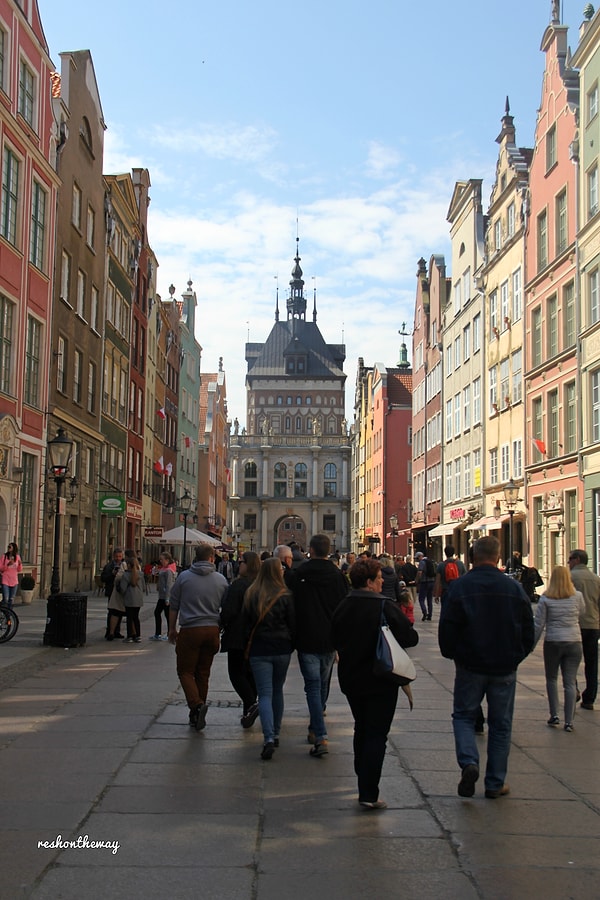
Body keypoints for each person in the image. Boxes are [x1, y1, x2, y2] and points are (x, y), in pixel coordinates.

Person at [439, 536, 534, 800]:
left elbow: (447, 628)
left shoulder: (460, 587)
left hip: (470, 665)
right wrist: (517, 656)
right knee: (501, 725)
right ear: (499, 557)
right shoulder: (514, 589)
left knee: (464, 716)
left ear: (472, 557)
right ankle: (495, 782)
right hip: (504, 666)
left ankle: (469, 761)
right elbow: (529, 630)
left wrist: (452, 654)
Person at [331, 557, 418, 810]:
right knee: (377, 734)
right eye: (379, 578)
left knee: (362, 726)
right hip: (381, 679)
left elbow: (333, 636)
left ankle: (363, 773)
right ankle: (368, 791)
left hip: (351, 678)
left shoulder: (343, 605)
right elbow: (409, 637)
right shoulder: (384, 606)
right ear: (369, 582)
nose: (383, 581)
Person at [289, 533, 349, 757]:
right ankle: (316, 729)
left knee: (313, 687)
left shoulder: (299, 574)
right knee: (322, 685)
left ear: (310, 551)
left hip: (306, 638)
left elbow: (291, 604)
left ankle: (320, 734)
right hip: (330, 639)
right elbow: (345, 608)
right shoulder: (338, 576)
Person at [168, 544, 228, 730]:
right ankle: (196, 713)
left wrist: (171, 629)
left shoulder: (183, 578)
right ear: (212, 558)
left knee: (185, 671)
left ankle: (197, 705)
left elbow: (174, 606)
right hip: (211, 630)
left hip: (190, 630)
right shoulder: (221, 580)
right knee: (203, 672)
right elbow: (226, 607)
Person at [241, 557, 295, 760]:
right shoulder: (286, 595)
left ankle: (268, 738)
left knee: (264, 694)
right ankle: (277, 732)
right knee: (277, 690)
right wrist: (291, 644)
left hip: (259, 650)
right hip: (281, 649)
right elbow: (293, 624)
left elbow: (245, 623)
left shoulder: (251, 593)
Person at [534, 565, 585, 732]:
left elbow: (539, 624)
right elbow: (582, 613)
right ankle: (569, 721)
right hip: (574, 641)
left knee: (551, 679)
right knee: (570, 682)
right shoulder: (577, 596)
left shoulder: (546, 598)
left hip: (554, 641)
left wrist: (531, 645)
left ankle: (554, 714)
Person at [219, 551, 261, 727]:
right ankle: (248, 713)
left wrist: (221, 624)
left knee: (236, 673)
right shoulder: (262, 585)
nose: (239, 564)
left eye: (242, 561)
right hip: (257, 637)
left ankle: (251, 704)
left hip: (238, 635)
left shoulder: (238, 586)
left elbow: (228, 611)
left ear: (248, 565)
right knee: (250, 674)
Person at [568, 549, 600, 711]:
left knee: (570, 662)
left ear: (577, 560)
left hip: (575, 625)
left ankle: (574, 690)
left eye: (570, 559)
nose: (568, 563)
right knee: (592, 663)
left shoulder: (570, 578)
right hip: (593, 626)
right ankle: (590, 698)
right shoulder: (596, 579)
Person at [150, 552, 177, 640]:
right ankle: (160, 633)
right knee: (161, 614)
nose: (160, 561)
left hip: (165, 597)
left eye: (162, 559)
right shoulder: (164, 569)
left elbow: (169, 584)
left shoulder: (168, 571)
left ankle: (168, 633)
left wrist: (167, 598)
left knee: (163, 614)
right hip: (162, 596)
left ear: (167, 560)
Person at [118, 556, 145, 642]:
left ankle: (129, 636)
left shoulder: (126, 575)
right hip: (138, 599)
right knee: (136, 617)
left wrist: (118, 587)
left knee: (129, 618)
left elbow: (123, 588)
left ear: (128, 565)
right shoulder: (140, 574)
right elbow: (144, 587)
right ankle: (138, 635)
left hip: (129, 599)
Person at [101, 548, 125, 640]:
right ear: (113, 556)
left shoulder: (124, 565)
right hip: (111, 590)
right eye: (116, 556)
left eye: (120, 556)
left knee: (119, 611)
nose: (118, 558)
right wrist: (112, 574)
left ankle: (117, 631)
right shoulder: (109, 566)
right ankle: (109, 631)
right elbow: (103, 578)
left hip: (120, 592)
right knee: (111, 611)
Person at [0, 542, 22, 608]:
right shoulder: (4, 557)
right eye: (8, 547)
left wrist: (20, 564)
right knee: (6, 599)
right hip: (5, 580)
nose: (8, 548)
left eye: (10, 547)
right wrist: (7, 565)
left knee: (11, 600)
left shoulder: (17, 557)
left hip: (14, 581)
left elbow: (19, 569)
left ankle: (9, 615)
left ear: (14, 548)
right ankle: (3, 611)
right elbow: (1, 568)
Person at [415, 551, 436, 622]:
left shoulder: (422, 562)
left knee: (421, 599)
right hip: (432, 582)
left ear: (420, 556)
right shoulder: (431, 561)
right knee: (429, 599)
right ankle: (430, 615)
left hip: (425, 582)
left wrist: (417, 580)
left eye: (417, 558)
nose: (417, 560)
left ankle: (424, 612)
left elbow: (420, 572)